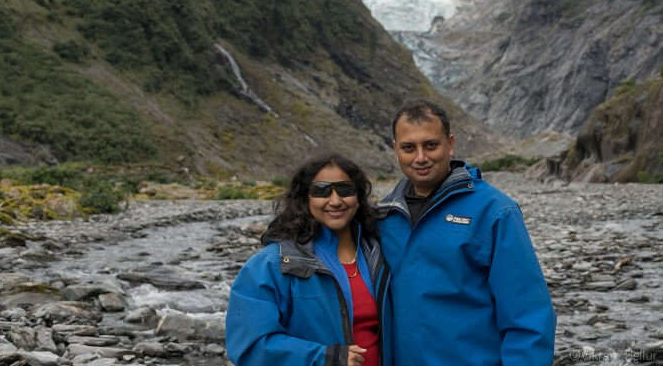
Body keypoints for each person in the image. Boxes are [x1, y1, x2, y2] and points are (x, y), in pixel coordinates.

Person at [376, 99, 556, 366]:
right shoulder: (385, 216)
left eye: (431, 145)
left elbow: (527, 315)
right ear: (395, 149)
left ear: (450, 144)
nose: (421, 157)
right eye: (408, 148)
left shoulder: (494, 212)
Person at [226, 153, 392, 366]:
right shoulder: (271, 266)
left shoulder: (380, 253)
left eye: (345, 190)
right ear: (305, 199)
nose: (335, 201)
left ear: (358, 197)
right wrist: (325, 358)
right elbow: (250, 346)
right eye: (321, 191)